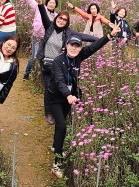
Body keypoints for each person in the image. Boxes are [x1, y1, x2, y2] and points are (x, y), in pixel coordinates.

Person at [49, 23, 120, 179]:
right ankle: (57, 163)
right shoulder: (57, 61)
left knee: (61, 125)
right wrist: (68, 95)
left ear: (80, 48)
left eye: (77, 46)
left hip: (70, 98)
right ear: (66, 45)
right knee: (62, 125)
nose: (74, 48)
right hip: (56, 98)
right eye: (71, 45)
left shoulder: (79, 57)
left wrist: (110, 35)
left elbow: (95, 46)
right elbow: (60, 81)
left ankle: (56, 146)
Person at [34, 0, 97, 124]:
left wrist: (100, 39)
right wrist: (40, 4)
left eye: (65, 20)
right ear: (56, 18)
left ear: (67, 22)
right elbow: (44, 15)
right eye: (60, 18)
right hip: (45, 63)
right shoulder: (49, 27)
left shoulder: (69, 33)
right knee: (48, 88)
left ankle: (62, 109)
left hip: (59, 65)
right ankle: (49, 113)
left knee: (60, 85)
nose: (61, 21)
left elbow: (84, 36)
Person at [21, 0, 58, 80]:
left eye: (54, 3)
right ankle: (27, 73)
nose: (52, 4)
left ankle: (39, 76)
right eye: (50, 2)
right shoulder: (40, 8)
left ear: (56, 5)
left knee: (44, 57)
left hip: (47, 39)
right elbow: (32, 2)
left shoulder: (56, 16)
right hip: (37, 37)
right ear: (47, 3)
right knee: (35, 56)